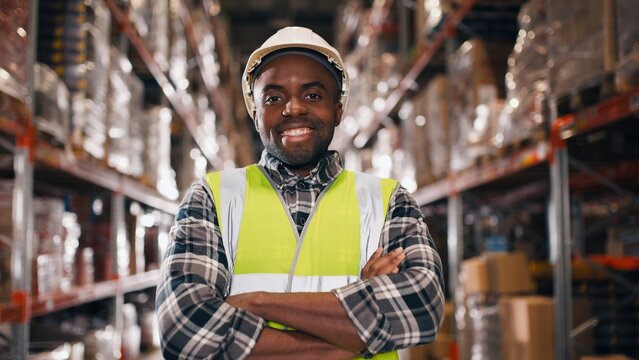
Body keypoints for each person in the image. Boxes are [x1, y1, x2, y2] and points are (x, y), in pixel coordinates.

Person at [156, 26, 445, 359]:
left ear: (337, 110)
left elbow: (421, 307)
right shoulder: (213, 197)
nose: (293, 108)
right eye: (274, 98)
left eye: (312, 95)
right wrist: (351, 336)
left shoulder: (388, 200)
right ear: (255, 114)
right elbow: (183, 330)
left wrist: (257, 302)